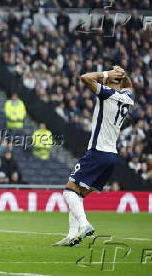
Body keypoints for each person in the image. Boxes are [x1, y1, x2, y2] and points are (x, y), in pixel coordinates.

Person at [53, 66, 134, 247]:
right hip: (112, 156)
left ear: (112, 82)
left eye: (108, 80)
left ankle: (85, 224)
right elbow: (128, 85)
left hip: (98, 152)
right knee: (78, 194)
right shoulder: (128, 99)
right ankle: (72, 235)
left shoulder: (108, 95)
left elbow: (85, 77)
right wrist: (123, 74)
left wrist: (106, 74)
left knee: (68, 191)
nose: (104, 81)